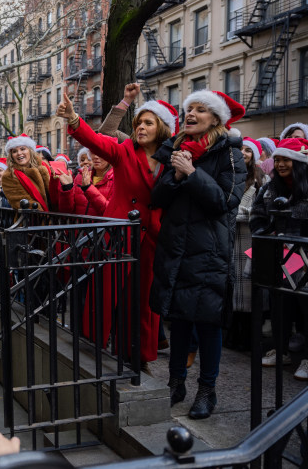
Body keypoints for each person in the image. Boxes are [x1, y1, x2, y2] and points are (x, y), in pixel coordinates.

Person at [56, 85, 176, 368]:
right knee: (110, 295)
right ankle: (94, 345)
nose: (141, 127)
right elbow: (96, 140)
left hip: (152, 237)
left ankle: (138, 355)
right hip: (119, 234)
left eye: (148, 122)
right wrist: (73, 118)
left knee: (144, 302)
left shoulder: (172, 158)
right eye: (139, 123)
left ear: (162, 128)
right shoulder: (124, 151)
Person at [151, 89, 246, 420]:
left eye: (200, 110)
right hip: (176, 249)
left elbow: (224, 201)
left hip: (209, 254)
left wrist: (192, 175)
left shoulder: (231, 154)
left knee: (208, 324)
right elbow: (156, 198)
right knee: (178, 321)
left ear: (215, 119)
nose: (191, 114)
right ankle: (175, 385)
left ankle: (208, 391)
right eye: (188, 109)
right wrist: (176, 176)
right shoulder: (176, 150)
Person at [251, 138, 308, 379]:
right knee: (278, 304)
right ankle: (280, 348)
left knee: (305, 307)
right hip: (277, 254)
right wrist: (268, 233)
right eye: (278, 159)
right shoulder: (269, 187)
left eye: (286, 159)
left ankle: (306, 357)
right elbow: (257, 216)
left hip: (304, 255)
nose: (281, 164)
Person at [224, 137, 266, 351]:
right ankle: (233, 335)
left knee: (248, 290)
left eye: (248, 150)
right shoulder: (229, 175)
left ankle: (250, 338)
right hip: (231, 239)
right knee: (232, 288)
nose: (243, 153)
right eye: (240, 149)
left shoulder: (261, 179)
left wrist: (234, 213)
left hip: (249, 238)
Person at [1, 133, 51, 211]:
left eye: (23, 149)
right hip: (32, 220)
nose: (19, 153)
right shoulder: (9, 176)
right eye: (14, 151)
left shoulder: (44, 167)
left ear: (30, 151)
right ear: (11, 156)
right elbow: (22, 203)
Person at [58, 147, 114, 216]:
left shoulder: (117, 180)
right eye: (93, 152)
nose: (96, 156)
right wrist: (68, 187)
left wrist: (88, 188)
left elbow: (109, 212)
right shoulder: (80, 176)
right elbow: (66, 211)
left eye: (101, 153)